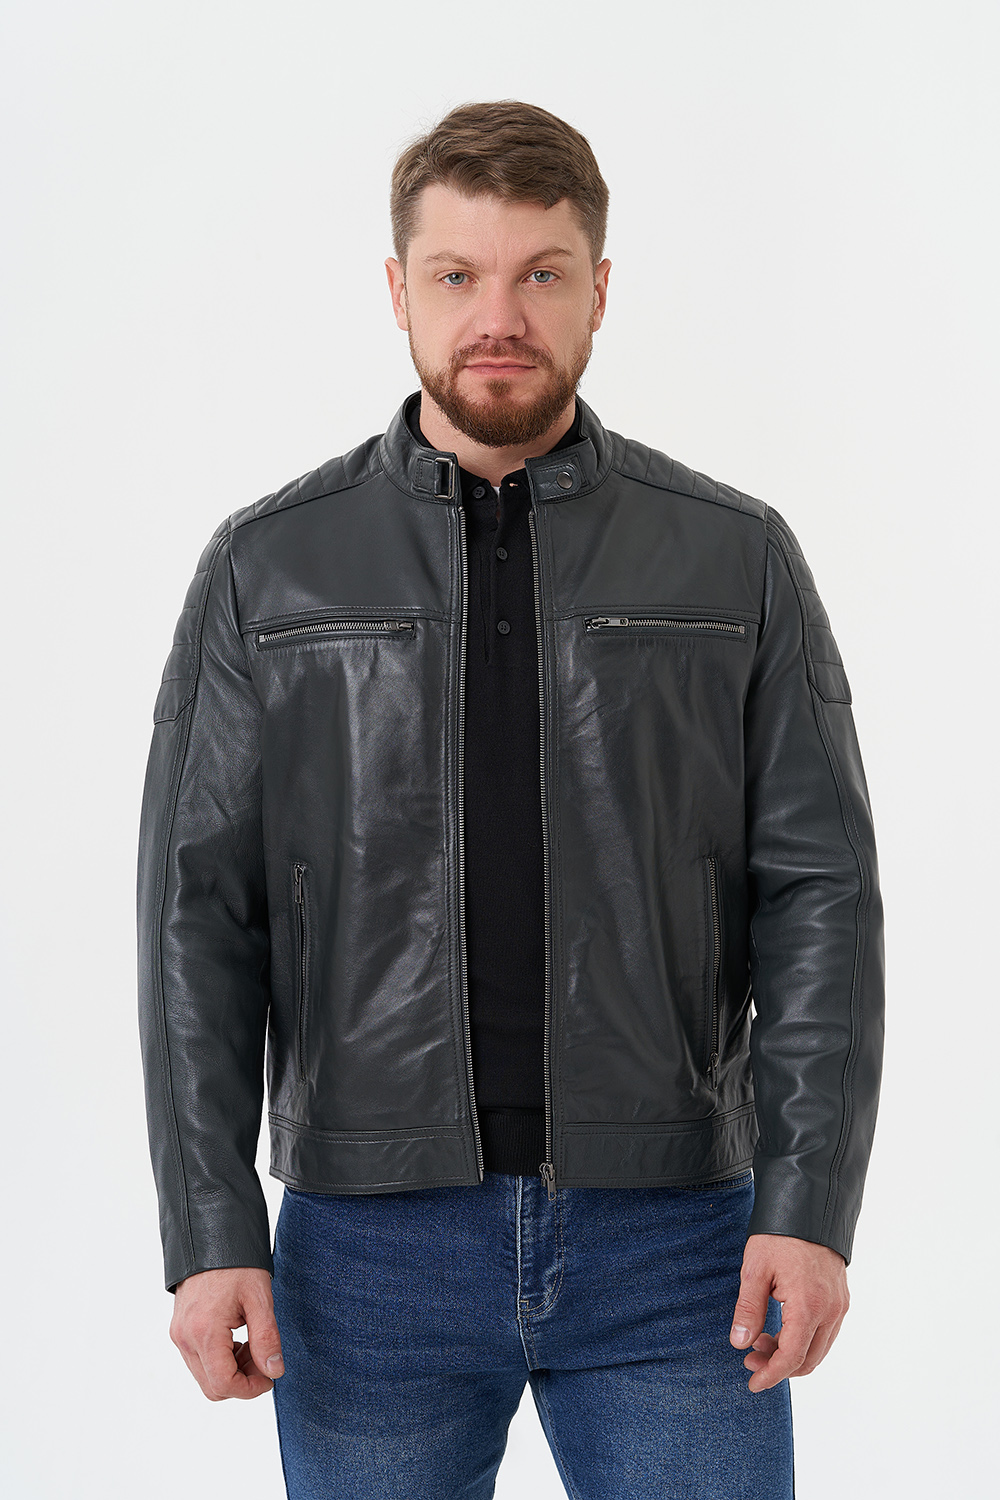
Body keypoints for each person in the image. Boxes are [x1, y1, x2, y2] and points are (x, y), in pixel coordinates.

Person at [137, 100, 884, 1499]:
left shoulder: (734, 558)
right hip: (368, 1249)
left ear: (599, 288)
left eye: (541, 273)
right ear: (398, 290)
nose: (500, 317)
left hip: (680, 1242)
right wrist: (208, 1226)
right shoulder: (267, 568)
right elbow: (199, 917)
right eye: (457, 275)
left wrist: (810, 1204)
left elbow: (821, 897)